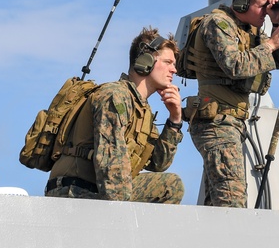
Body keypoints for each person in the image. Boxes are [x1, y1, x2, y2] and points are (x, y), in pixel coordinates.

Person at [45, 27, 185, 204]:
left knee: (170, 186)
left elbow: (158, 163)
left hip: (99, 189)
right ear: (145, 61)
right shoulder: (116, 96)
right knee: (169, 186)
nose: (174, 70)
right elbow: (110, 161)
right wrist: (120, 219)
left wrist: (174, 119)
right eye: (168, 62)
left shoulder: (141, 110)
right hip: (76, 190)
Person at [187, 0, 279, 207]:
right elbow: (235, 65)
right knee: (232, 201)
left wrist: (276, 23)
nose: (266, 11)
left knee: (218, 201)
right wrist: (271, 44)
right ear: (242, 3)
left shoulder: (250, 30)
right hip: (216, 122)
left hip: (232, 123)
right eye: (262, 6)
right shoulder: (218, 24)